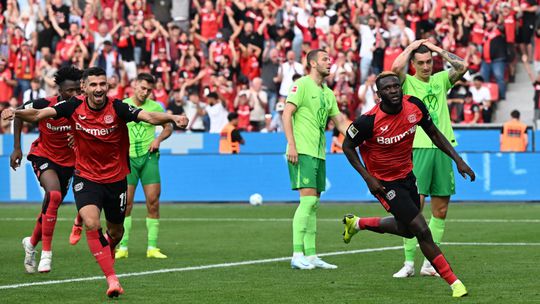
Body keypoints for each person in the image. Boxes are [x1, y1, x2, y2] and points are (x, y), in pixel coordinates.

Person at [2, 67, 188, 298]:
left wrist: (172, 117)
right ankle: (111, 279)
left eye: (102, 84)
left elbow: (149, 117)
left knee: (116, 232)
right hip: (86, 177)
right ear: (85, 88)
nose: (98, 88)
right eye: (93, 84)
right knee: (91, 222)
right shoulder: (72, 105)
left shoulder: (118, 107)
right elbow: (39, 115)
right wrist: (16, 113)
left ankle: (103, 251)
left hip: (116, 178)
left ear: (107, 87)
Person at [341, 72, 475, 298]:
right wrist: (368, 177)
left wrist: (458, 159)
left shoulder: (414, 106)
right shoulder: (367, 121)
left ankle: (357, 224)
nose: (393, 90)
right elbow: (347, 146)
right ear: (379, 94)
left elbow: (433, 133)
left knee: (407, 230)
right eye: (387, 88)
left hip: (407, 176)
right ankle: (454, 282)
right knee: (422, 230)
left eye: (396, 86)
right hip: (384, 183)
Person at [391, 40, 468, 277]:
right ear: (413, 64)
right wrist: (411, 47)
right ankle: (408, 263)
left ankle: (428, 263)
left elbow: (462, 66)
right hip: (417, 148)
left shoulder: (440, 79)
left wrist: (436, 49)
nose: (426, 67)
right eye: (421, 63)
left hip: (443, 149)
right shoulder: (408, 82)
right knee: (414, 208)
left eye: (429, 62)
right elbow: (394, 69)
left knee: (441, 209)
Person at [10, 66, 83, 274]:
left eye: (78, 90)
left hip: (69, 164)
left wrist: (78, 137)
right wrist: (17, 147)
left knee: (51, 207)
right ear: (59, 90)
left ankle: (31, 244)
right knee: (54, 195)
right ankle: (46, 255)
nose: (75, 94)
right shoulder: (45, 104)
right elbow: (20, 114)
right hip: (44, 156)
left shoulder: (84, 107)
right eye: (70, 91)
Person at [283, 49, 349, 270]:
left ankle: (311, 255)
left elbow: (339, 121)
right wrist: (292, 144)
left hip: (319, 153)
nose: (329, 62)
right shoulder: (301, 85)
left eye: (330, 59)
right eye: (324, 59)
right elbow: (286, 113)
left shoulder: (327, 93)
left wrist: (363, 134)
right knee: (308, 201)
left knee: (314, 204)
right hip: (302, 150)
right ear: (312, 63)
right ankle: (296, 253)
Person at [114, 73, 173, 260]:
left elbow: (168, 127)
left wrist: (158, 139)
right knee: (126, 204)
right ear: (135, 85)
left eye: (149, 90)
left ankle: (152, 248)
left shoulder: (156, 107)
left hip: (149, 158)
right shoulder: (122, 105)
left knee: (153, 201)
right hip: (127, 160)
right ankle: (122, 247)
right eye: (143, 88)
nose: (145, 92)